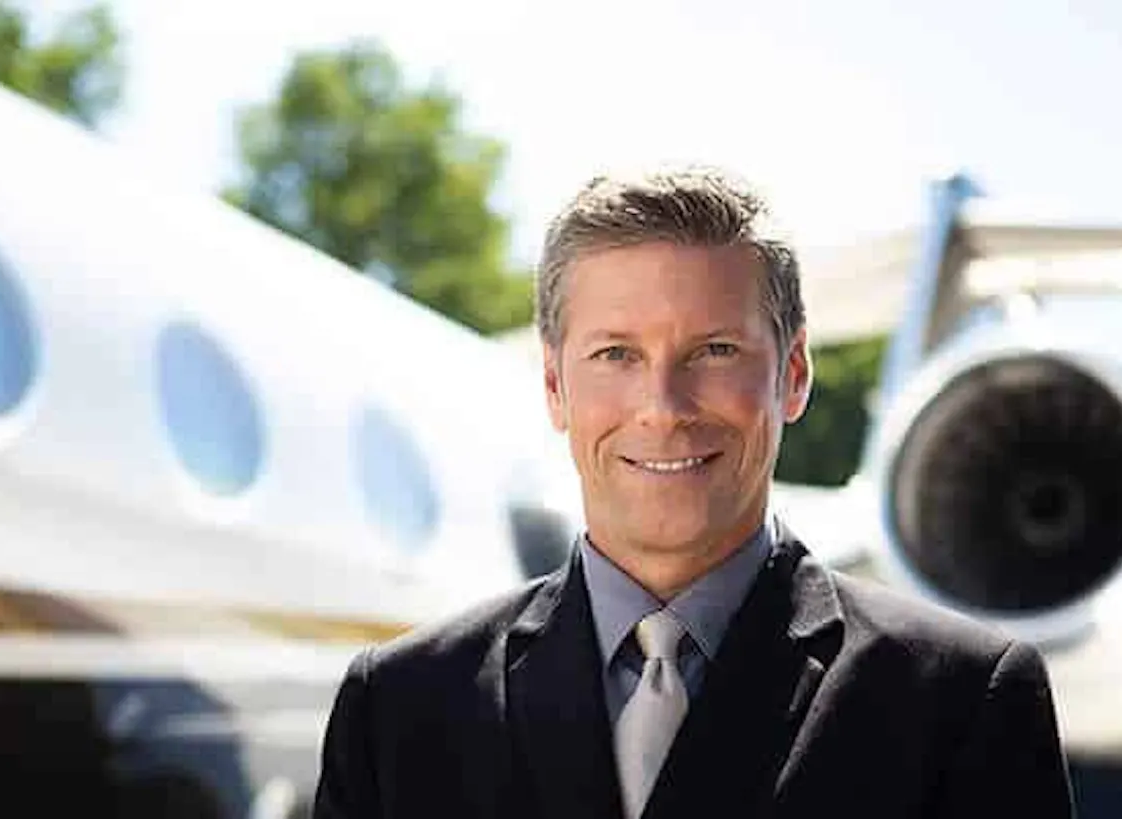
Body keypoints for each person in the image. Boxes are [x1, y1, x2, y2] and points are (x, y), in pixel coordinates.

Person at [310, 165, 1075, 819]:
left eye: (714, 349)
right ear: (553, 385)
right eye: (616, 353)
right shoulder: (398, 708)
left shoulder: (964, 703)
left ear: (794, 372)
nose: (664, 406)